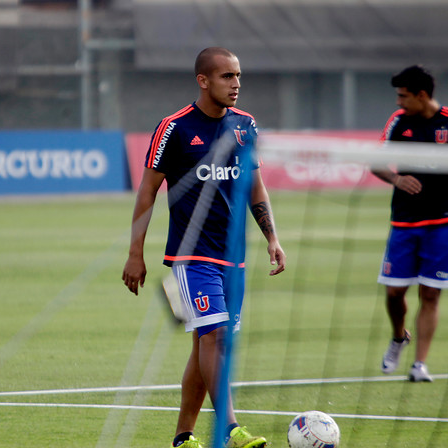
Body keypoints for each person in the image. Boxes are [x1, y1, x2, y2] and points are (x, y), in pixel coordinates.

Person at [122, 47, 286, 448]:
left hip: (234, 258)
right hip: (189, 257)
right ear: (203, 81)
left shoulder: (246, 126)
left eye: (238, 76)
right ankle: (231, 427)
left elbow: (254, 185)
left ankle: (182, 438)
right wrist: (135, 253)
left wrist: (272, 237)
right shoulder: (174, 128)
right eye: (227, 76)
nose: (236, 84)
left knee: (203, 343)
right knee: (215, 336)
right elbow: (147, 190)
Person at [372, 65, 448, 382]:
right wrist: (397, 178)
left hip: (443, 222)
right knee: (394, 293)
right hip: (404, 222)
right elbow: (376, 163)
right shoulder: (398, 121)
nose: (399, 102)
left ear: (422, 95)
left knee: (431, 294)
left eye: (403, 96)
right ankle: (399, 337)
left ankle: (419, 364)